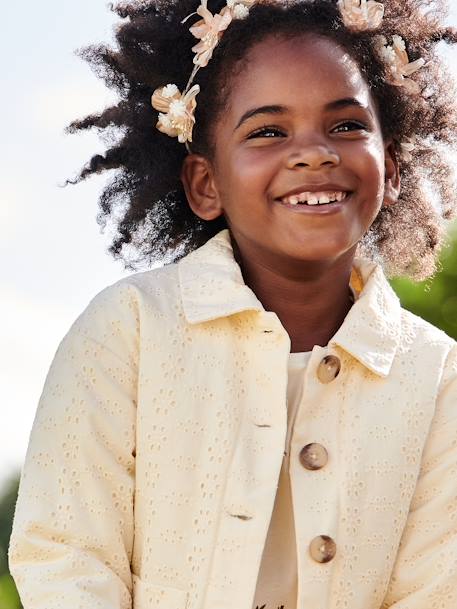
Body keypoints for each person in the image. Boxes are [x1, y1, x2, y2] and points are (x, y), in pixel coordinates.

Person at [8, 1, 457, 608]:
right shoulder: (128, 331)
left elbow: (437, 587)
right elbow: (66, 553)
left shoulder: (438, 377)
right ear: (205, 184)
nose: (314, 153)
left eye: (346, 126)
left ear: (394, 167)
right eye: (268, 132)